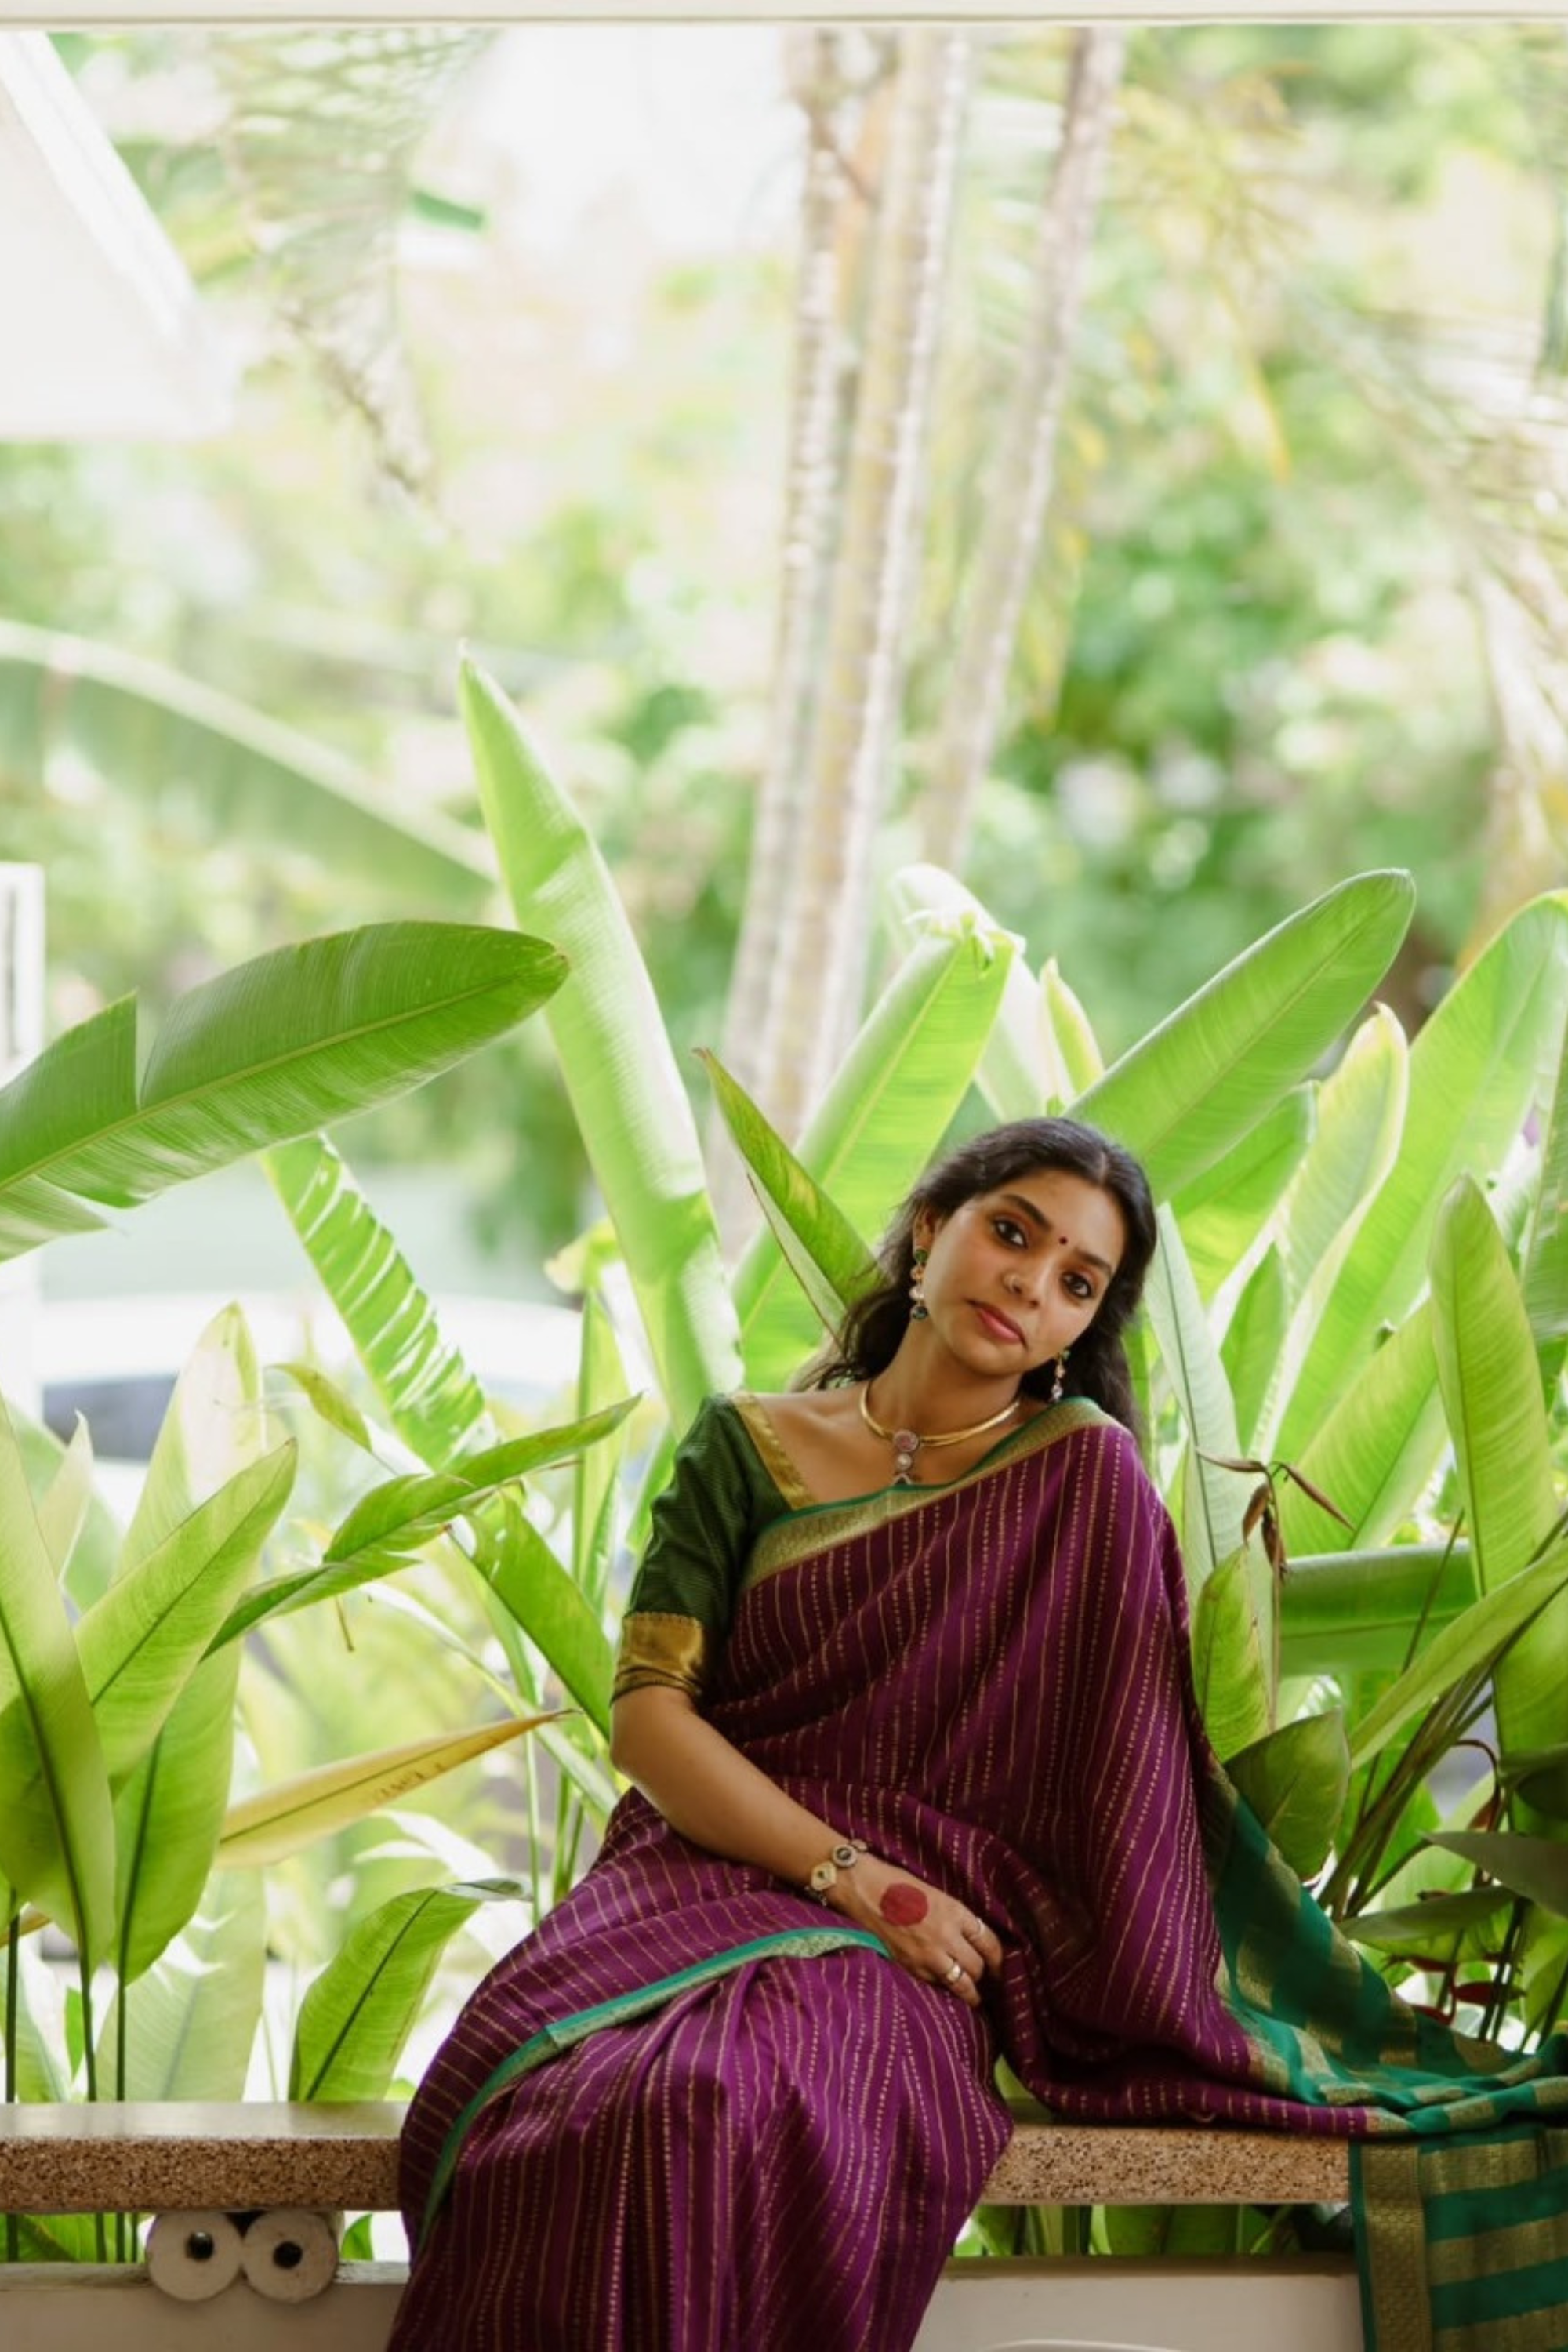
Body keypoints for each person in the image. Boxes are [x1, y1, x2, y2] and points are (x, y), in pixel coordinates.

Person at [390, 1116, 1568, 2352]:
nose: (1030, 1284)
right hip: (694, 1881)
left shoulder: (1084, 1484)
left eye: (1077, 1281)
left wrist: (916, 1910)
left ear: (1082, 1329)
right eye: (1011, 1234)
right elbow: (648, 1722)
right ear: (925, 1234)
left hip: (911, 1950)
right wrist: (848, 1871)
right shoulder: (745, 1448)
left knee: (713, 2099)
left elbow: (1120, 1803)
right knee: (570, 2107)